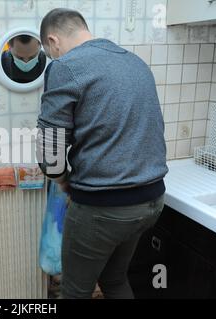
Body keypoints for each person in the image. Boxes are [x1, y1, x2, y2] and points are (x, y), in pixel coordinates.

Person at [36, 8, 169, 299]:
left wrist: (62, 180)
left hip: (104, 207)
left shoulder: (66, 66)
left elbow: (50, 150)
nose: (53, 58)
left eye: (49, 52)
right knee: (115, 279)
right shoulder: (134, 62)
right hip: (152, 201)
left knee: (74, 290)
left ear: (52, 40)